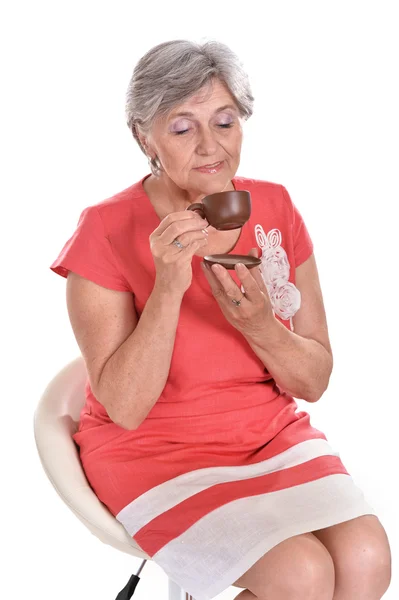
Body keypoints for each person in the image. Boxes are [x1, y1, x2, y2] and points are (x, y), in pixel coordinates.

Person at [50, 40, 391, 600]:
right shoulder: (106, 229)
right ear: (144, 137)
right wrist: (167, 287)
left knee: (367, 558)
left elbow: (313, 382)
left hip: (267, 436)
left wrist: (260, 326)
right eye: (183, 128)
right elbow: (126, 408)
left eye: (225, 122)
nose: (211, 147)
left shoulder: (275, 209)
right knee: (301, 574)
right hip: (154, 451)